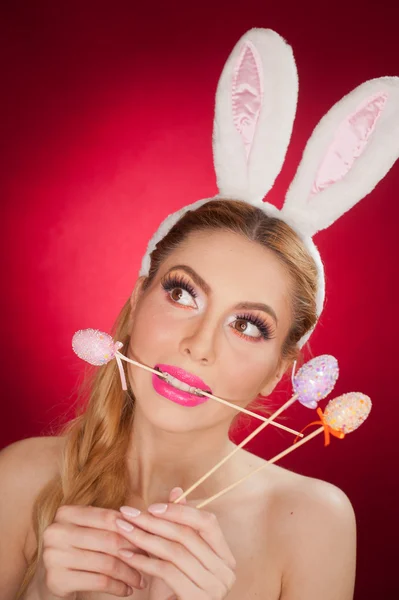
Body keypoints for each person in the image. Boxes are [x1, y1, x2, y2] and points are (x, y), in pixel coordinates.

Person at [1, 27, 398, 600]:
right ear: (138, 301)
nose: (199, 344)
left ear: (277, 371)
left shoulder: (314, 524)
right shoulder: (20, 479)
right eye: (184, 294)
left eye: (248, 325)